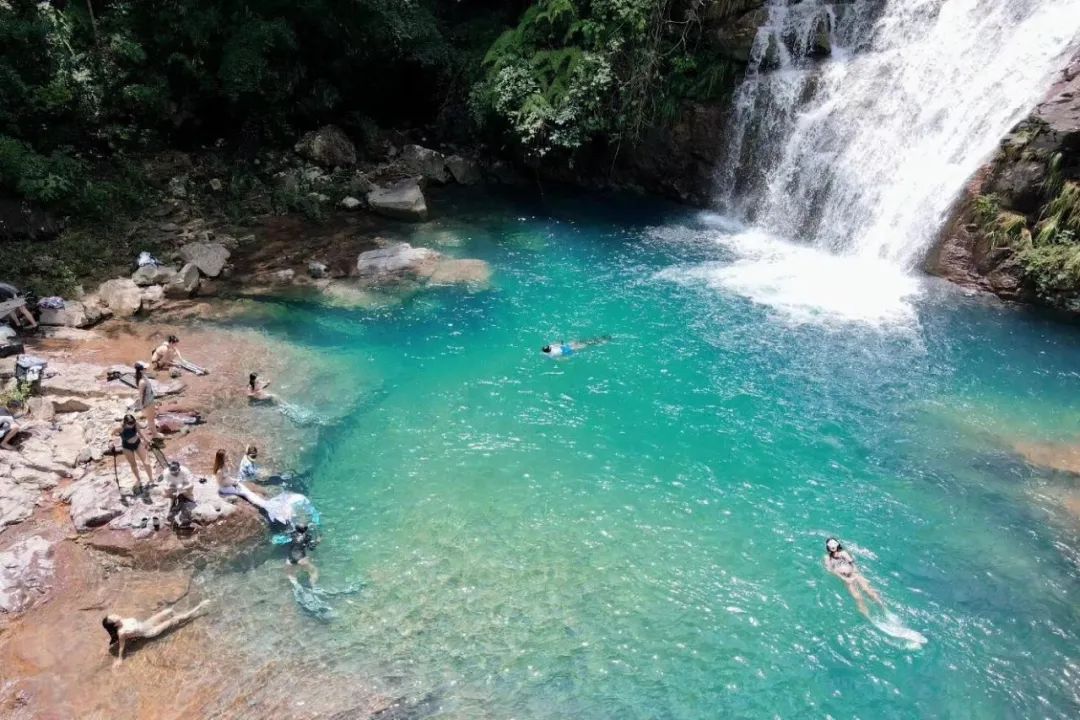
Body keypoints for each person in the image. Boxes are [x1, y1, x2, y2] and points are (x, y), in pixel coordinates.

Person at [102, 599, 210, 666]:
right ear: (115, 624)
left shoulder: (122, 620)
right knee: (174, 620)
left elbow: (134, 628)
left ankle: (178, 615)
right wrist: (120, 658)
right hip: (150, 632)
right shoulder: (122, 632)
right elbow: (121, 646)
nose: (116, 615)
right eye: (114, 618)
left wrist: (133, 637)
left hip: (147, 623)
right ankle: (199, 607)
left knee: (168, 611)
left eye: (113, 615)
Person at [824, 537, 884, 617]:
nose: (833, 547)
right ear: (828, 547)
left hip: (854, 574)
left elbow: (852, 563)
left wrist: (856, 574)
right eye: (831, 545)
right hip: (846, 578)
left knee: (868, 590)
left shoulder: (843, 553)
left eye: (834, 544)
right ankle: (865, 612)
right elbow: (831, 570)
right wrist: (845, 579)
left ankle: (882, 606)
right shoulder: (827, 558)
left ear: (837, 544)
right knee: (857, 597)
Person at [113, 414, 154, 490]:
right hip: (127, 447)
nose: (131, 425)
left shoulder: (135, 424)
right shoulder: (120, 428)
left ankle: (151, 479)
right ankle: (138, 480)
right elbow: (112, 433)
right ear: (125, 423)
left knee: (146, 461)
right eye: (129, 424)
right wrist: (112, 441)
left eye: (133, 423)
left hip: (137, 443)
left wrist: (146, 440)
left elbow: (140, 432)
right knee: (133, 464)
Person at [132, 363, 163, 441]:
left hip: (150, 400)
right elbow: (141, 395)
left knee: (151, 418)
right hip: (147, 403)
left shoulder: (144, 377)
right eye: (145, 369)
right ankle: (155, 435)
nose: (147, 369)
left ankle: (153, 431)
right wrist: (142, 407)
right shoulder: (142, 382)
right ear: (142, 371)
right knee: (151, 419)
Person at [161, 461, 196, 527]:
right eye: (172, 473)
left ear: (179, 469)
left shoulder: (185, 471)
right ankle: (172, 503)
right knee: (164, 493)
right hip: (173, 488)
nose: (175, 474)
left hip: (184, 486)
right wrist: (171, 489)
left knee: (190, 499)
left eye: (176, 472)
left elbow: (191, 484)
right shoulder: (166, 472)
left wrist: (182, 488)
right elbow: (164, 486)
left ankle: (188, 499)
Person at [286, 522, 320, 587]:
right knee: (314, 571)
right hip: (301, 559)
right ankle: (312, 585)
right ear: (306, 530)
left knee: (290, 573)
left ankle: (296, 585)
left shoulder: (292, 534)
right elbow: (311, 548)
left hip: (290, 559)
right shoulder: (307, 536)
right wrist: (318, 541)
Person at [541, 335, 610, 359]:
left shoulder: (550, 354)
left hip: (567, 348)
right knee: (583, 344)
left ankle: (599, 340)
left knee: (583, 344)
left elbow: (561, 357)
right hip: (568, 348)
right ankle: (600, 340)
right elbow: (562, 356)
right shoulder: (552, 353)